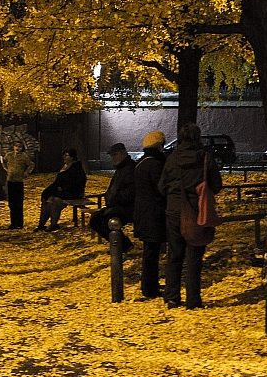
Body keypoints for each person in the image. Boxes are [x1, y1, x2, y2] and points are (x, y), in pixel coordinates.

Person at [159, 123, 221, 310]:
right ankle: (193, 300)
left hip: (174, 210)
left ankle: (172, 297)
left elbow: (162, 186)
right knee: (194, 255)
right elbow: (216, 185)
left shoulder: (172, 159)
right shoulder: (205, 158)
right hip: (196, 211)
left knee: (175, 254)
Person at [132, 130, 167, 300]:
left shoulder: (141, 163)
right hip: (153, 214)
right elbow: (161, 189)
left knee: (149, 251)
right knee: (151, 253)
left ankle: (149, 285)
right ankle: (150, 287)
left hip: (143, 212)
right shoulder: (155, 165)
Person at [89, 143, 136, 250]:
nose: (113, 158)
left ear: (123, 153)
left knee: (105, 221)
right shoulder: (121, 168)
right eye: (112, 156)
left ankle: (124, 246)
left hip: (127, 208)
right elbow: (113, 188)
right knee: (95, 220)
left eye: (115, 155)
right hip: (117, 206)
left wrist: (114, 198)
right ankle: (124, 245)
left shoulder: (130, 168)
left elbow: (131, 192)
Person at [35, 148, 86, 231]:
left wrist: (62, 188)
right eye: (64, 155)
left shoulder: (76, 168)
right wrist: (47, 192)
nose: (64, 157)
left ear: (72, 157)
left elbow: (77, 183)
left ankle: (53, 225)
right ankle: (41, 224)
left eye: (66, 155)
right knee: (47, 200)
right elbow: (57, 183)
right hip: (63, 192)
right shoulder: (65, 167)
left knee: (54, 201)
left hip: (73, 193)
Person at [3, 140, 35, 229]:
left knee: (18, 202)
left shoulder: (24, 156)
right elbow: (3, 162)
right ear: (13, 147)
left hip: (18, 181)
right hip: (10, 181)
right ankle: (13, 223)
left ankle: (19, 223)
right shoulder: (9, 155)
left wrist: (26, 172)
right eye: (16, 146)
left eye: (20, 146)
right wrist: (6, 170)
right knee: (11, 203)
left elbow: (31, 165)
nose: (18, 148)